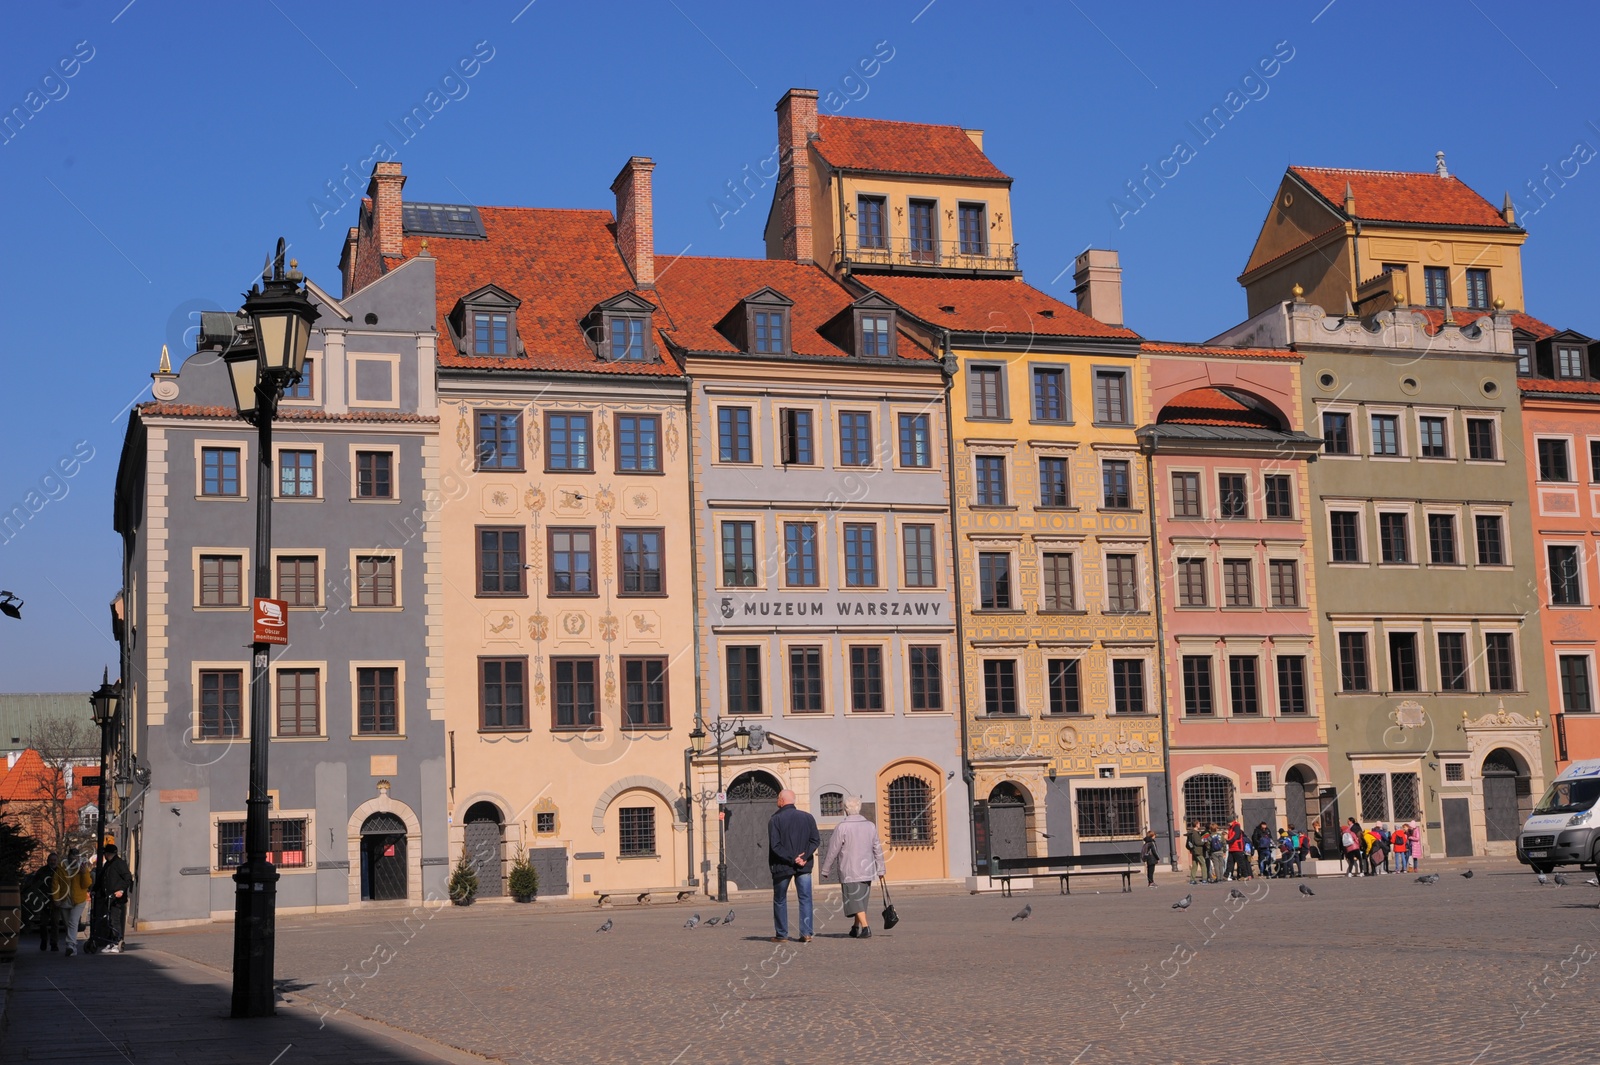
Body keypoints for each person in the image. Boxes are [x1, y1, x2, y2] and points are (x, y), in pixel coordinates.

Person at [818, 796, 885, 939]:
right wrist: (881, 869)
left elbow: (833, 849)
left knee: (855, 900)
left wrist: (825, 868)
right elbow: (877, 849)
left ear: (846, 809)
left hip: (849, 869)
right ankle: (855, 927)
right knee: (860, 899)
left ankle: (866, 928)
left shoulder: (843, 826)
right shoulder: (870, 826)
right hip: (867, 869)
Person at [767, 789, 819, 944]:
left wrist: (792, 858)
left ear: (782, 801)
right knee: (805, 898)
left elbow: (775, 846)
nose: (777, 800)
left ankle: (782, 934)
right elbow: (815, 840)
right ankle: (806, 933)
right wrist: (804, 856)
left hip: (782, 866)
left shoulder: (775, 819)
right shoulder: (808, 817)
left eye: (778, 798)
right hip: (804, 865)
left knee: (780, 899)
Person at [54, 848, 93, 956]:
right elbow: (55, 883)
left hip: (78, 900)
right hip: (64, 900)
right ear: (68, 858)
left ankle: (70, 945)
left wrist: (84, 873)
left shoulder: (82, 868)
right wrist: (56, 898)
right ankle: (73, 947)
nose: (73, 860)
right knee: (68, 924)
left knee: (72, 922)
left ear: (78, 858)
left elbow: (86, 884)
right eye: (71, 858)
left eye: (75, 858)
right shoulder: (61, 868)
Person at [97, 843, 135, 953]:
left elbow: (127, 878)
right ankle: (110, 942)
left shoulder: (119, 864)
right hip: (107, 897)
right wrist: (95, 889)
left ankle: (117, 941)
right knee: (107, 920)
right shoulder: (107, 865)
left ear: (108, 854)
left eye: (105, 853)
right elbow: (101, 879)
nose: (104, 855)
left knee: (115, 920)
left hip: (116, 898)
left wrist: (121, 891)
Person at [28, 852, 61, 952]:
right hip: (44, 899)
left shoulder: (60, 871)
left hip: (56, 900)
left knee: (55, 922)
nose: (52, 862)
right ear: (47, 861)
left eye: (54, 860)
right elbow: (35, 884)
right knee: (43, 923)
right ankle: (44, 940)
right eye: (51, 860)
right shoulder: (42, 871)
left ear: (57, 861)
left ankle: (54, 943)